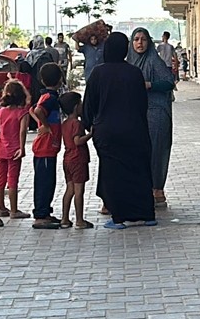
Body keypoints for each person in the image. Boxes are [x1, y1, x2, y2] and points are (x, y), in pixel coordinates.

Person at [82, 32, 157, 229]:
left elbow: (89, 104)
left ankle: (119, 217)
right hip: (135, 130)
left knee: (114, 174)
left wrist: (87, 125)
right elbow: (142, 104)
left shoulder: (98, 73)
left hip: (108, 132)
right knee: (139, 170)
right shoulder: (134, 73)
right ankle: (146, 213)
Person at [128, 28, 176, 207]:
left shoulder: (154, 61)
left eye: (143, 40)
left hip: (156, 112)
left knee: (157, 150)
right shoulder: (130, 62)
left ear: (149, 42)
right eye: (136, 39)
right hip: (138, 114)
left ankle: (158, 189)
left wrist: (150, 84)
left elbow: (169, 82)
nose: (140, 43)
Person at [30, 63, 65, 230]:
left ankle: (45, 211)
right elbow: (37, 111)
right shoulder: (50, 98)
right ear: (60, 79)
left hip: (49, 148)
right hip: (45, 147)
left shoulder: (48, 96)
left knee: (48, 181)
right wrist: (45, 126)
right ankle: (40, 214)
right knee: (44, 182)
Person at [0, 80, 31, 220]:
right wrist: (22, 148)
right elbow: (22, 132)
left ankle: (1, 208)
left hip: (0, 148)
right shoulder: (22, 113)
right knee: (13, 180)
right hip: (14, 149)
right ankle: (14, 210)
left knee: (1, 179)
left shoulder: (0, 111)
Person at [59, 91, 93, 229]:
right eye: (80, 104)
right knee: (79, 191)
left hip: (67, 159)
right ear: (75, 107)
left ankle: (65, 218)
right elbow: (77, 141)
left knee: (70, 189)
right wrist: (91, 134)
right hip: (78, 159)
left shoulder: (65, 123)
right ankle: (79, 220)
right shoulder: (77, 124)